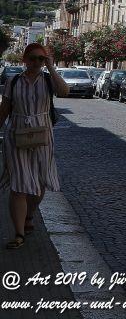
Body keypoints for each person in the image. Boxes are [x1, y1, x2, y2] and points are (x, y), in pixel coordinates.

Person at [0, 42, 68, 249]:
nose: (37, 62)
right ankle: (19, 233)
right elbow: (4, 109)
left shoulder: (48, 80)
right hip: (16, 136)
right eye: (33, 58)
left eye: (41, 58)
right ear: (24, 60)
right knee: (19, 185)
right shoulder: (13, 81)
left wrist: (52, 67)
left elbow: (64, 91)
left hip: (42, 137)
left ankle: (30, 214)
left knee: (39, 183)